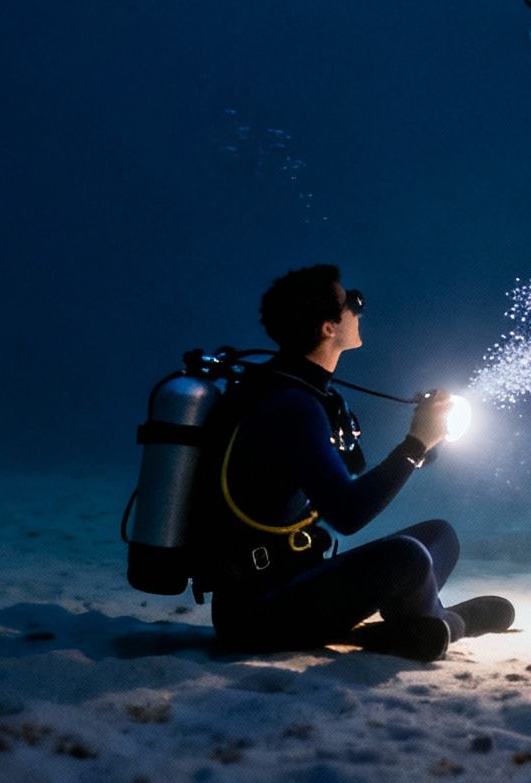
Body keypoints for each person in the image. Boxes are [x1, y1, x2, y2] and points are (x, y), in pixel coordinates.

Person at [198, 263, 513, 661]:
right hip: (259, 611)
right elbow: (348, 514)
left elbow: (351, 478)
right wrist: (416, 443)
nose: (359, 309)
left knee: (439, 534)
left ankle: (405, 628)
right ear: (329, 327)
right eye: (352, 302)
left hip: (298, 583)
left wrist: (425, 440)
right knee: (409, 556)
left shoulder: (299, 392)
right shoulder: (293, 405)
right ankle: (450, 623)